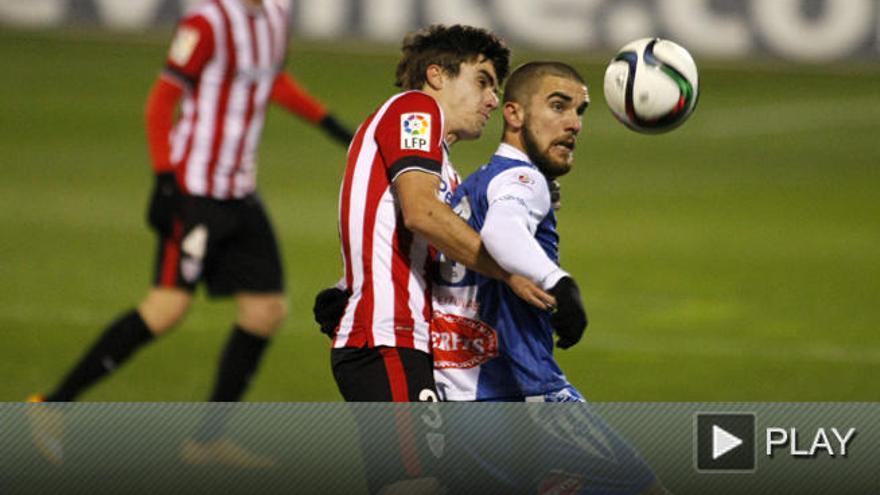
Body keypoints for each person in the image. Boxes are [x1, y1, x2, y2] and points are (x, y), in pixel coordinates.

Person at [26, 0, 352, 466]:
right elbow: (162, 99)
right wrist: (164, 182)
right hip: (194, 190)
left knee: (265, 310)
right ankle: (50, 407)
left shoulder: (277, 13)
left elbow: (268, 80)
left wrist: (332, 125)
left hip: (238, 189)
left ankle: (205, 442)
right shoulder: (208, 20)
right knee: (166, 307)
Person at [430, 61, 668, 494]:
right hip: (523, 399)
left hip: (457, 402)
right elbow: (504, 231)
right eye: (558, 106)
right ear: (514, 114)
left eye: (580, 111)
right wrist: (558, 281)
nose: (573, 124)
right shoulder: (521, 178)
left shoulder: (471, 189)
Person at [324, 24, 555, 403]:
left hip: (408, 342)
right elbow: (421, 213)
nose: (492, 99)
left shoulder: (444, 171)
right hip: (388, 338)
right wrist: (508, 271)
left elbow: (417, 240)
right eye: (483, 81)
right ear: (437, 75)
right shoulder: (415, 107)